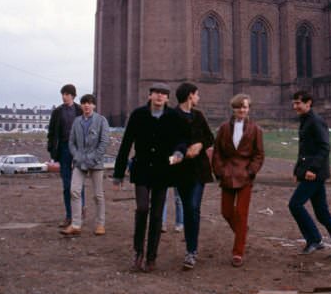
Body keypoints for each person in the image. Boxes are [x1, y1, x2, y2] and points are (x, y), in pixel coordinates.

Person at [111, 82, 189, 272]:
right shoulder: (138, 115)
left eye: (163, 94)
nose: (159, 96)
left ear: (168, 98)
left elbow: (182, 140)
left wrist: (178, 153)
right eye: (156, 93)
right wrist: (118, 174)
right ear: (150, 96)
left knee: (156, 215)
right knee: (143, 208)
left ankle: (151, 257)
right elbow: (126, 143)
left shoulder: (173, 117)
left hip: (163, 171)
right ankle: (138, 252)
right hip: (142, 169)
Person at [288, 90, 331, 259]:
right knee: (322, 213)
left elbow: (324, 147)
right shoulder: (306, 120)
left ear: (308, 103)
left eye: (298, 103)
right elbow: (305, 150)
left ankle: (314, 239)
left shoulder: (316, 121)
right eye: (294, 103)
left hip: (315, 174)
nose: (295, 106)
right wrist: (297, 170)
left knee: (295, 204)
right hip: (310, 172)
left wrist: (312, 170)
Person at [211, 93, 265, 267]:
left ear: (249, 109)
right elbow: (217, 151)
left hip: (244, 177)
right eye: (239, 107)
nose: (242, 110)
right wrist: (219, 171)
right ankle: (242, 232)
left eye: (245, 107)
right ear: (233, 109)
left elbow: (259, 154)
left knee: (241, 214)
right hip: (227, 175)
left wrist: (251, 171)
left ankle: (238, 252)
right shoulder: (224, 128)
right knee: (226, 212)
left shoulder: (255, 129)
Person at [174, 82, 215, 270]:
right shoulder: (172, 116)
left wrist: (199, 145)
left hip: (199, 170)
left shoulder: (199, 116)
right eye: (197, 94)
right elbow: (170, 140)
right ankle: (191, 248)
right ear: (190, 95)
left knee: (192, 207)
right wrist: (183, 151)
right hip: (182, 171)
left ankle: (191, 251)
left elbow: (209, 137)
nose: (199, 98)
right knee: (188, 207)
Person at [60, 94, 109, 236]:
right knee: (74, 191)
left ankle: (100, 224)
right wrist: (77, 156)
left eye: (89, 103)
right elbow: (71, 142)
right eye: (84, 103)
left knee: (98, 195)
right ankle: (76, 224)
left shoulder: (101, 121)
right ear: (81, 106)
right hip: (79, 162)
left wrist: (92, 158)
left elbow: (104, 142)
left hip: (96, 163)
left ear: (94, 105)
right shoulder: (77, 122)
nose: (86, 106)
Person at [47, 83, 83, 227]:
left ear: (73, 96)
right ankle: (69, 215)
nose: (64, 97)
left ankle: (80, 212)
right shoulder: (57, 112)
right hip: (63, 150)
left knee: (79, 184)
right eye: (63, 94)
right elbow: (51, 133)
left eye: (67, 94)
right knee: (67, 185)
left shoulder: (79, 110)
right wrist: (52, 150)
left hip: (78, 150)